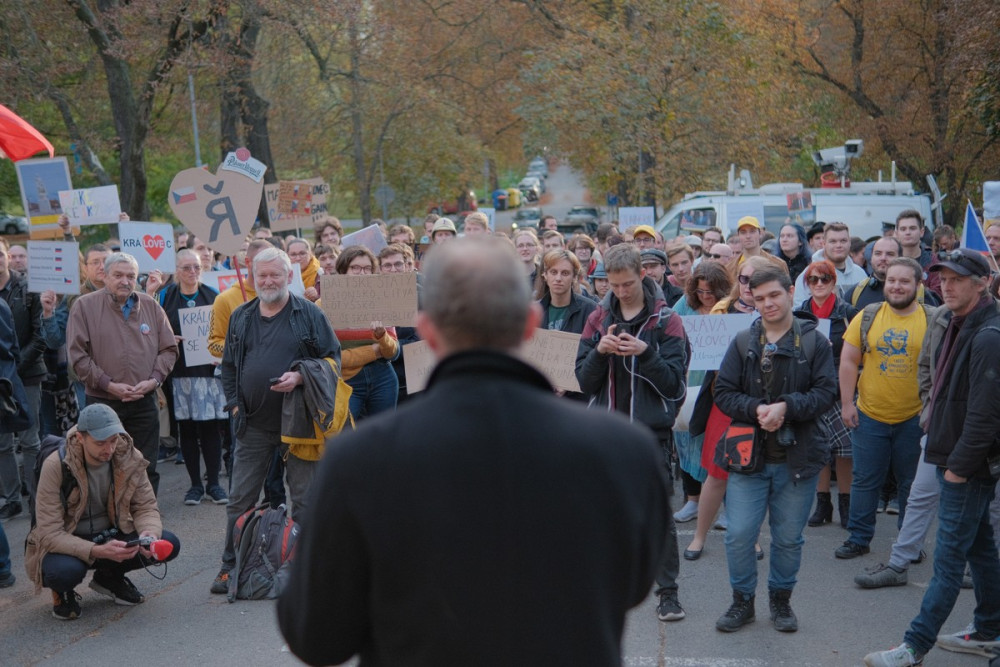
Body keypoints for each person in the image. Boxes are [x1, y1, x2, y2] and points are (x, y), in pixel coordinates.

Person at [278, 236, 669, 666]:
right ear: (529, 322)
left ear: (426, 330)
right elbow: (632, 585)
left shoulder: (362, 458)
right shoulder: (622, 449)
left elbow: (317, 635)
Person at [862, 248, 1000, 667]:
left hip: (966, 465)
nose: (947, 284)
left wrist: (958, 468)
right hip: (953, 456)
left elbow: (984, 415)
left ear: (983, 283)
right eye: (943, 277)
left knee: (947, 562)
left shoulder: (988, 335)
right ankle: (990, 628)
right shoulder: (959, 322)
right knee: (981, 551)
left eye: (958, 278)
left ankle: (914, 646)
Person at [712, 265, 837, 633]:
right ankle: (742, 602)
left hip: (796, 460)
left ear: (789, 294)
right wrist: (755, 409)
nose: (767, 303)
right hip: (748, 458)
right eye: (760, 297)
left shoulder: (816, 342)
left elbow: (826, 394)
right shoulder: (741, 341)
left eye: (774, 295)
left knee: (787, 538)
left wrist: (786, 407)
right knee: (738, 535)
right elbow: (724, 393)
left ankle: (781, 602)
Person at [211, 246, 341, 595]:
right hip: (252, 423)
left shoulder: (309, 314)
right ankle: (229, 565)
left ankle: (305, 565)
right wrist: (236, 406)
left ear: (289, 277)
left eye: (275, 275)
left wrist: (301, 378)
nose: (268, 281)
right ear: (253, 278)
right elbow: (229, 368)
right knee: (239, 499)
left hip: (299, 421)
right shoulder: (241, 316)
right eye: (262, 275)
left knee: (304, 496)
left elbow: (333, 360)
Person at [576, 243, 690, 623]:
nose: (621, 292)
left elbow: (675, 387)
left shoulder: (666, 320)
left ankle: (668, 593)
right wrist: (600, 353)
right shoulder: (597, 317)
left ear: (642, 274)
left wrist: (645, 352)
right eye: (614, 285)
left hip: (649, 434)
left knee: (658, 517)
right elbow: (581, 381)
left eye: (627, 284)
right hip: (605, 433)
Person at [23, 403, 181, 619]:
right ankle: (62, 592)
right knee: (64, 572)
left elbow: (145, 506)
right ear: (80, 438)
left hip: (111, 532)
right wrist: (96, 550)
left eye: (113, 440)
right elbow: (49, 534)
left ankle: (109, 577)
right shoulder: (56, 465)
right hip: (70, 538)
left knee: (168, 544)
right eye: (100, 443)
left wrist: (149, 534)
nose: (108, 449)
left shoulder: (128, 455)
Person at [836, 258, 929, 560]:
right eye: (891, 280)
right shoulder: (868, 316)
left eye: (904, 281)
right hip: (870, 414)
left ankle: (909, 543)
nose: (896, 286)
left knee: (911, 484)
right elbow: (848, 361)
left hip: (915, 418)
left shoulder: (933, 319)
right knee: (865, 479)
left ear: (918, 285)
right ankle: (859, 538)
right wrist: (848, 403)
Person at [67, 253, 177, 495]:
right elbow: (78, 357)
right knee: (103, 466)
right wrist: (108, 385)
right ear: (105, 276)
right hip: (103, 402)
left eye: (131, 276)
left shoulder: (150, 305)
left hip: (144, 400)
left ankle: (146, 521)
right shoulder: (84, 306)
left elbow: (169, 349)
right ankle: (111, 523)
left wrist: (154, 380)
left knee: (145, 465)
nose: (125, 281)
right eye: (118, 275)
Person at [157, 249, 227, 506]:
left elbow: (222, 332)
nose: (192, 272)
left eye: (196, 267)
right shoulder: (165, 296)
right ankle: (195, 486)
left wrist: (218, 351)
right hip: (180, 374)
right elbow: (154, 330)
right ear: (177, 270)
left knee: (211, 429)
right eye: (186, 267)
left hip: (208, 373)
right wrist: (168, 340)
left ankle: (215, 485)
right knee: (187, 429)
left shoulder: (213, 296)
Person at [797, 260, 858, 528]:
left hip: (841, 390)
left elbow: (857, 353)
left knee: (845, 453)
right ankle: (823, 504)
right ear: (807, 284)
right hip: (811, 390)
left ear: (834, 282)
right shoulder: (799, 313)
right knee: (817, 450)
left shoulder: (849, 313)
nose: (819, 284)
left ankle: (846, 503)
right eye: (813, 280)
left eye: (825, 279)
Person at [671, 262, 732, 525]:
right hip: (689, 381)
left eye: (710, 291)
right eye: (701, 291)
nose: (706, 296)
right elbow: (670, 330)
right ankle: (693, 501)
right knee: (686, 441)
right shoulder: (683, 305)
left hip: (720, 384)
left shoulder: (730, 307)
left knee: (721, 445)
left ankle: (729, 507)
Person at [0, 239, 47, 518]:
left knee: (31, 439)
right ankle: (11, 498)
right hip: (2, 377)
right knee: (2, 442)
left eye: (1, 254)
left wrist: (12, 369)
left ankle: (39, 498)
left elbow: (39, 336)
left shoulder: (29, 288)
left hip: (26, 375)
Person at [332, 246, 399, 420]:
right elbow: (331, 358)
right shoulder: (325, 305)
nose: (361, 273)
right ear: (342, 271)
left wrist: (382, 336)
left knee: (384, 435)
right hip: (346, 381)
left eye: (367, 268)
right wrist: (374, 351)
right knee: (346, 435)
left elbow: (392, 353)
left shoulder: (382, 301)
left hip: (383, 379)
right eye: (355, 268)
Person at [794, 222, 868, 307]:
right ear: (824, 244)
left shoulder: (860, 274)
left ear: (849, 243)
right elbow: (799, 311)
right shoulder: (808, 275)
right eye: (833, 241)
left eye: (843, 241)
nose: (838, 245)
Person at [286, 238, 321, 302]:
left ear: (310, 254)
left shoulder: (321, 274)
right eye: (293, 254)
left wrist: (317, 296)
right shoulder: (283, 276)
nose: (298, 258)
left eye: (302, 253)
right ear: (287, 256)